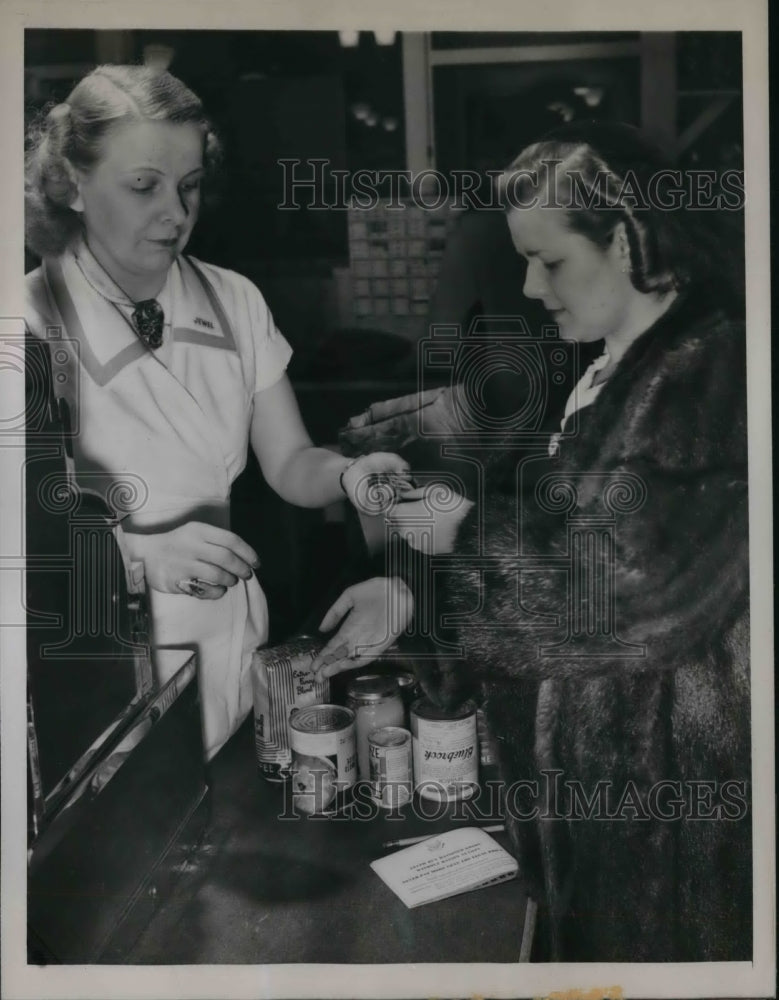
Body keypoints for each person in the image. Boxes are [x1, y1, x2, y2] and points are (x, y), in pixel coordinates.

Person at [311, 121, 750, 962]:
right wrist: (411, 597)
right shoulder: (614, 368)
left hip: (669, 823)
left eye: (547, 260)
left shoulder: (708, 370)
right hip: (606, 803)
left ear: (627, 240)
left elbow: (623, 596)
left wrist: (459, 535)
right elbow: (557, 555)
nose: (527, 285)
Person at [24, 64, 410, 761]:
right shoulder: (23, 322)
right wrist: (135, 556)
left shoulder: (234, 300)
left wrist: (348, 475)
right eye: (144, 185)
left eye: (190, 184)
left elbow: (290, 463)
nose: (176, 213)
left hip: (232, 641)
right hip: (97, 664)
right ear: (72, 183)